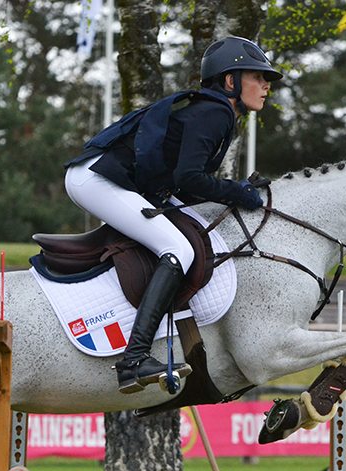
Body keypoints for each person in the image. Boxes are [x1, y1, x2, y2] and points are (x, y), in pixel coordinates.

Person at [64, 37, 282, 394]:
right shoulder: (216, 112)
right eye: (258, 77)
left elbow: (186, 186)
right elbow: (189, 179)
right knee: (179, 250)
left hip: (106, 177)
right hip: (95, 179)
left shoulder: (213, 110)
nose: (266, 85)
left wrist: (237, 189)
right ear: (231, 81)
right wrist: (236, 190)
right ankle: (132, 361)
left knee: (188, 234)